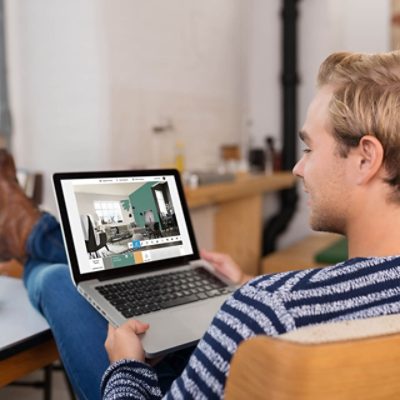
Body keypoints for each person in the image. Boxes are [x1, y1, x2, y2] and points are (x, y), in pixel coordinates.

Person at [2, 49, 400, 399]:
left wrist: (125, 367)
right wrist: (245, 282)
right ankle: (30, 232)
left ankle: (28, 235)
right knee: (88, 274)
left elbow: (278, 309)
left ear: (366, 158)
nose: (298, 167)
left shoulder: (266, 307)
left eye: (310, 148)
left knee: (57, 278)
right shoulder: (271, 301)